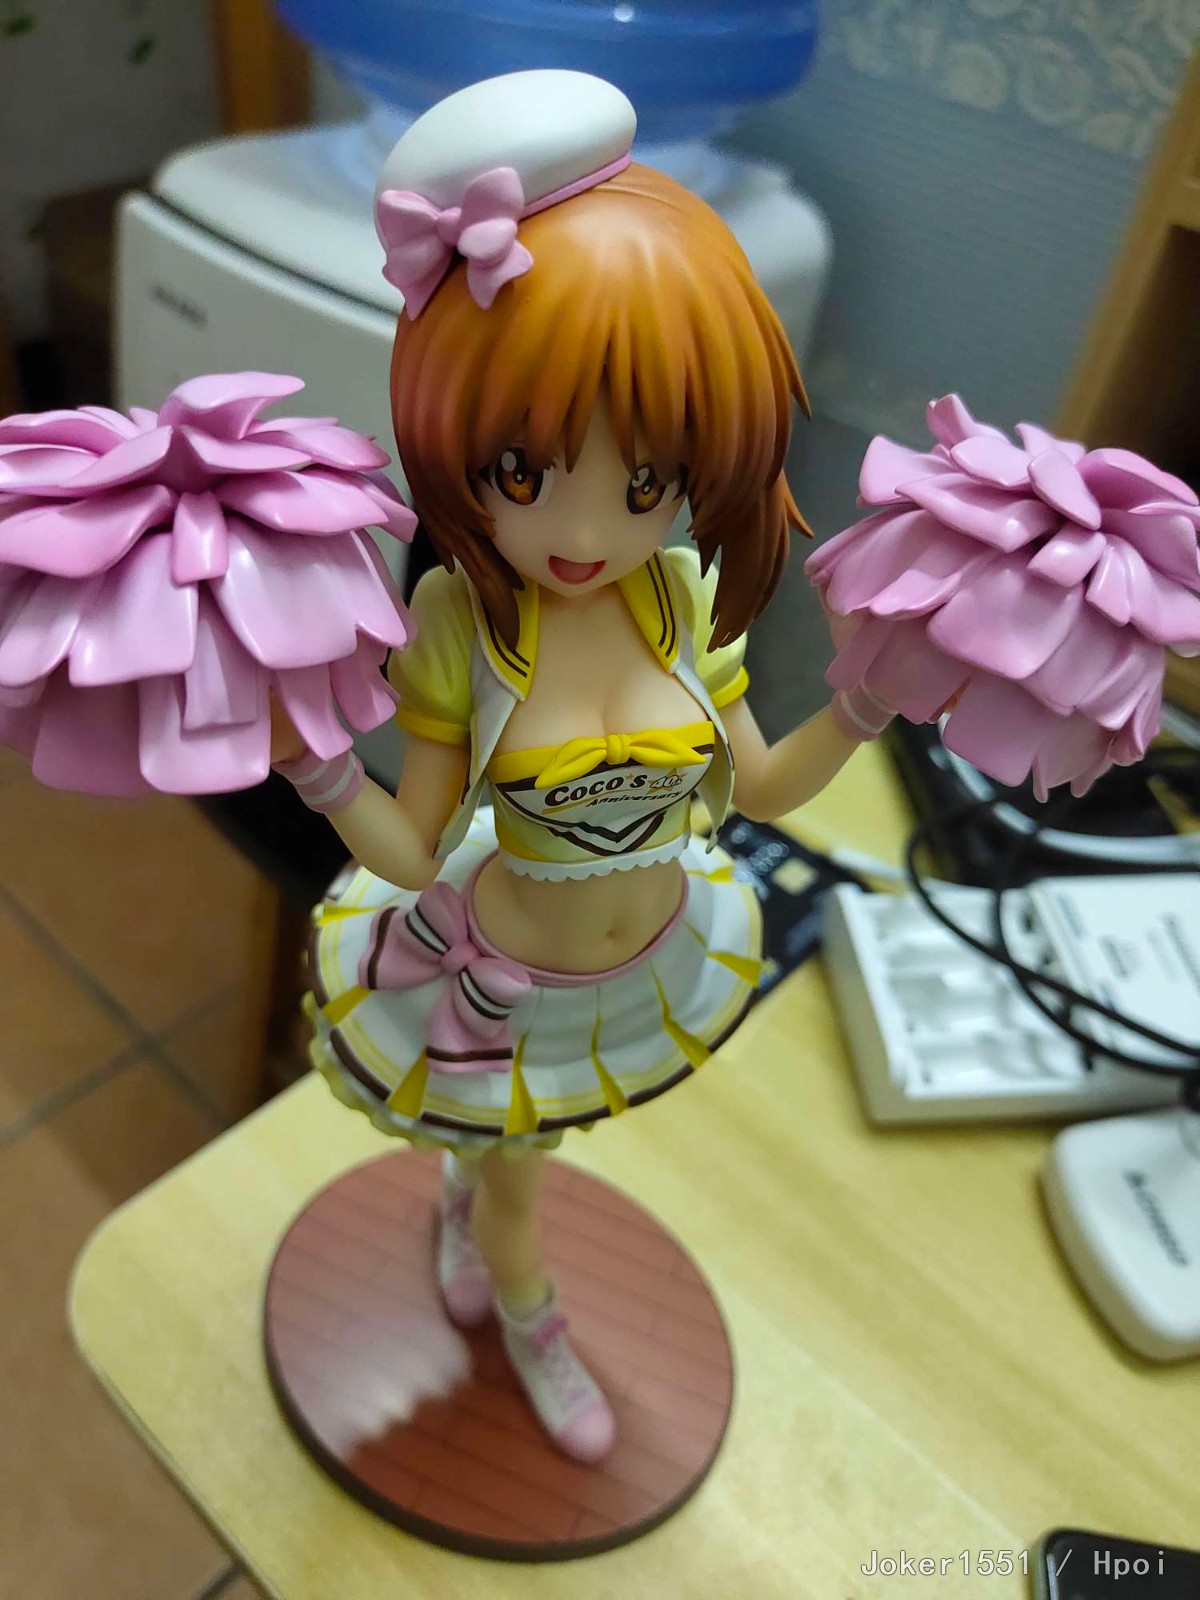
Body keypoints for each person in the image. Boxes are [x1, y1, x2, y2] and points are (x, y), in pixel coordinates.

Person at [271, 70, 885, 1462]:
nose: (586, 530)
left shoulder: (678, 596)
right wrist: (312, 767)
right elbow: (417, 849)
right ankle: (529, 1313)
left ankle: (468, 1212)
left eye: (645, 481)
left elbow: (758, 789)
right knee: (521, 1188)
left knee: (511, 1163)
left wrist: (869, 703)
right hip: (510, 977)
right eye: (524, 472)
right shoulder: (462, 621)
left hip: (650, 959)